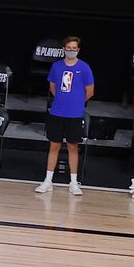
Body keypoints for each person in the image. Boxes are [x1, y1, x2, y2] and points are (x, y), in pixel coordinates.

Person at [37, 35, 94, 195]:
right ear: (63, 49)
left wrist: (76, 103)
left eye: (74, 49)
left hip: (75, 114)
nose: (71, 51)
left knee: (72, 147)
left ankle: (74, 183)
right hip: (57, 112)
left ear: (78, 50)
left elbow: (90, 91)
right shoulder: (56, 66)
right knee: (54, 146)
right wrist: (62, 100)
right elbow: (53, 86)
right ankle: (48, 181)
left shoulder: (84, 68)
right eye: (68, 48)